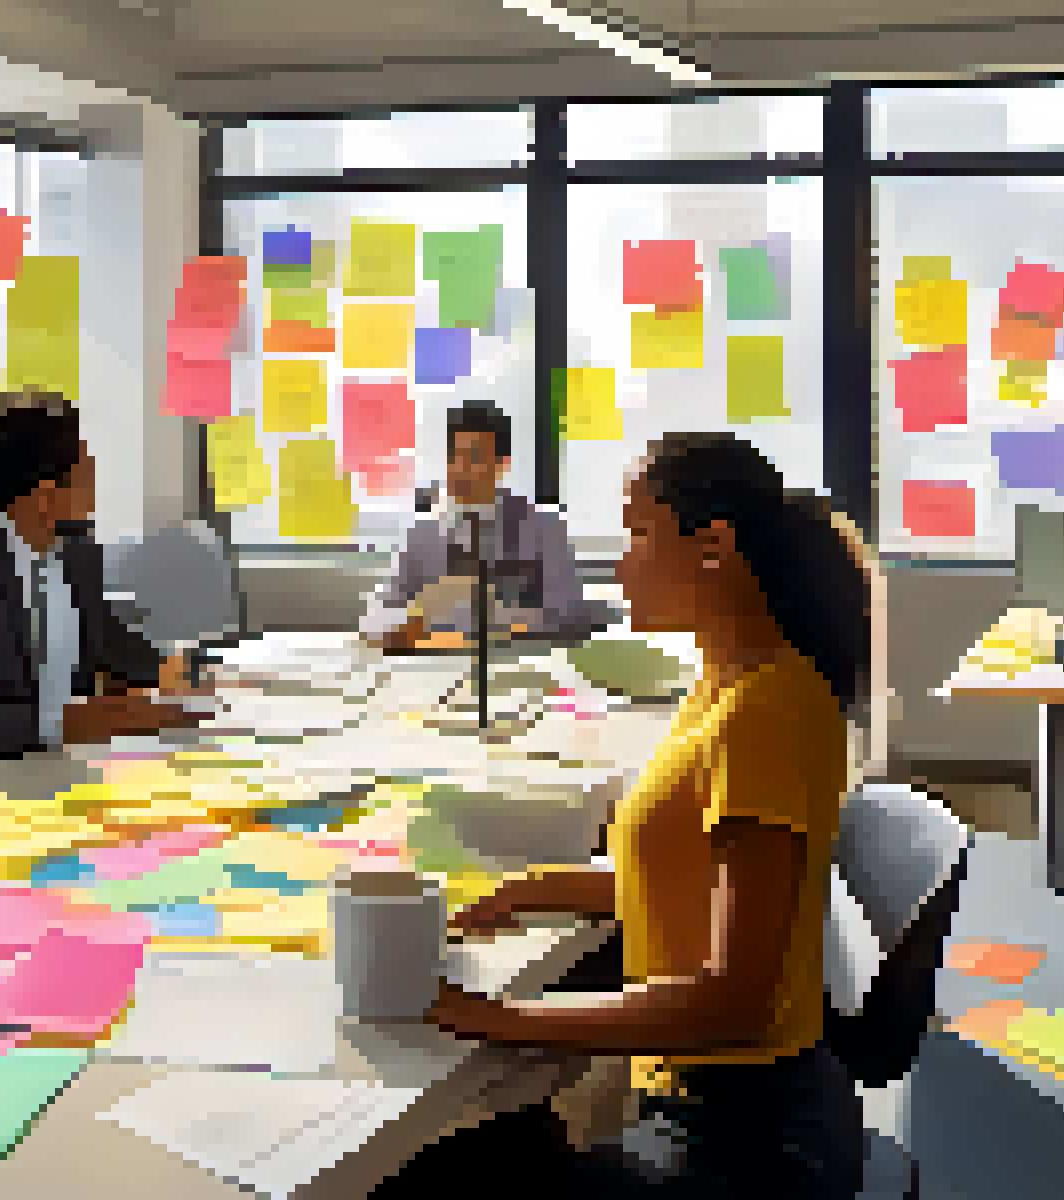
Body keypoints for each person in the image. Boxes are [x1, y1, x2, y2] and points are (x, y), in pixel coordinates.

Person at [386, 432, 872, 1200]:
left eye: (639, 532)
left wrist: (503, 1018)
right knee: (495, 1135)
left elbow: (732, 1000)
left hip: (746, 1146)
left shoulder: (765, 713)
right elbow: (687, 878)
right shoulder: (727, 682)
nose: (621, 562)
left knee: (432, 1175)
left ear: (711, 546)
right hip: (710, 1106)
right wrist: (533, 888)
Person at [0, 393, 197, 787]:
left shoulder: (77, 554)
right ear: (45, 494)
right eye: (83, 466)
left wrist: (178, 668)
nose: (94, 474)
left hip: (76, 772)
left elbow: (115, 644)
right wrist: (60, 721)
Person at [363, 400, 605, 652]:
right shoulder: (423, 534)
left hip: (519, 667)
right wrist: (422, 612)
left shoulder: (544, 529)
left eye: (475, 457)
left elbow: (571, 617)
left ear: (503, 464)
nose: (461, 470)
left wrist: (496, 620)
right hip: (438, 666)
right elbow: (375, 623)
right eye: (454, 457)